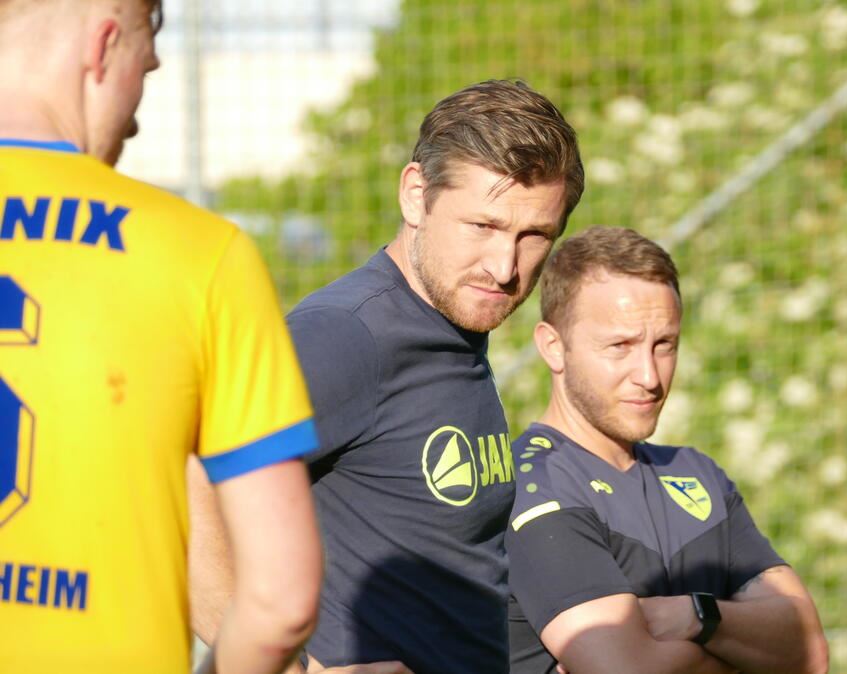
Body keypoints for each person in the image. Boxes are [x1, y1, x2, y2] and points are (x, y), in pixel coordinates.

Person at [189, 79, 585, 674]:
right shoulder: (348, 334)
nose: (505, 267)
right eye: (483, 226)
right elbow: (187, 478)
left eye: (533, 237)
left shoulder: (452, 329)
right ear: (414, 195)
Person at [0, 0, 323, 672]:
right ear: (104, 44)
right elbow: (282, 598)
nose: (137, 113)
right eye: (143, 69)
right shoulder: (202, 255)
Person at [506, 227, 830, 674]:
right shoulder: (530, 483)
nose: (649, 376)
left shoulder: (698, 475)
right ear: (553, 347)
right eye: (620, 346)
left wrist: (696, 615)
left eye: (665, 345)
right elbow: (627, 669)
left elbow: (808, 652)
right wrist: (738, 655)